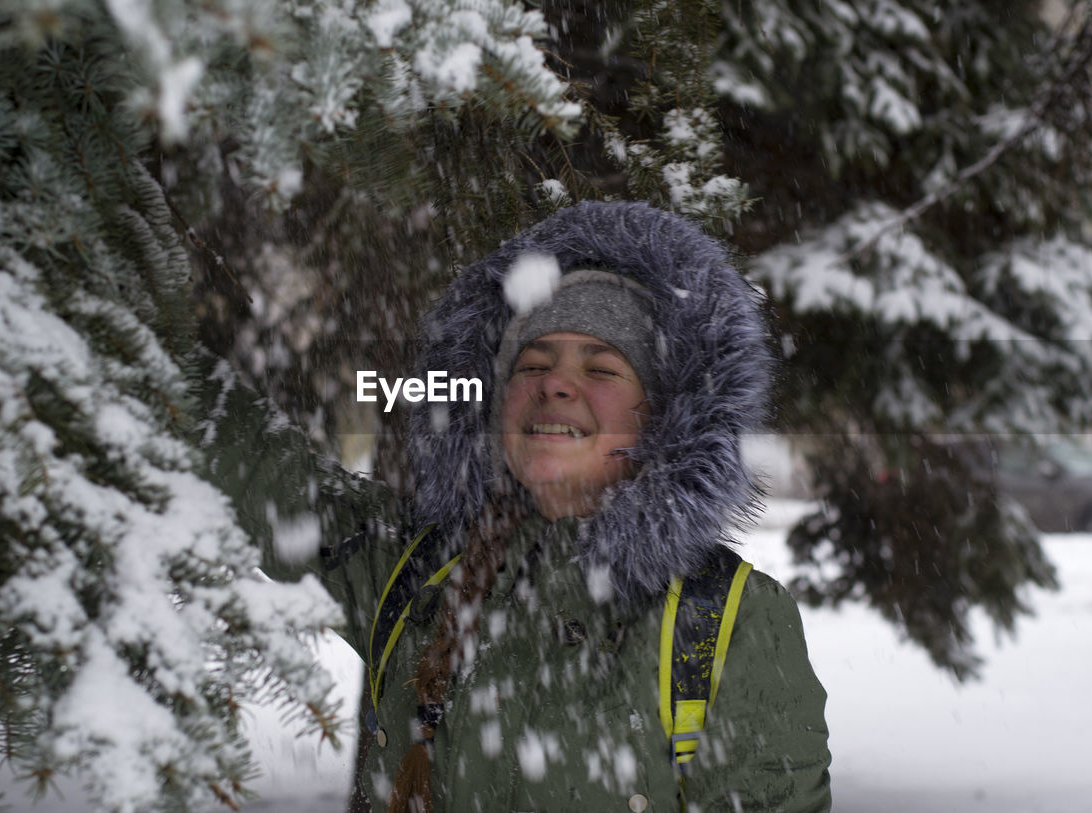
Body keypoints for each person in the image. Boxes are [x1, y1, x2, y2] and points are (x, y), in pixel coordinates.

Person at [309, 201, 831, 812]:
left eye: (602, 367)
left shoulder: (729, 622)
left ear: (663, 419)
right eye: (531, 364)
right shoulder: (411, 569)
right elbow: (240, 459)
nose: (554, 384)